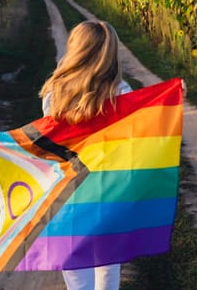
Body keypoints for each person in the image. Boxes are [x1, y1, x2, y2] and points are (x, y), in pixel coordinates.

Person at [39, 20, 132, 290]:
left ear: (75, 51)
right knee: (108, 269)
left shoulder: (55, 94)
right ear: (110, 55)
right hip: (110, 192)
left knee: (77, 275)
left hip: (69, 193)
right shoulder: (121, 93)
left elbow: (51, 144)